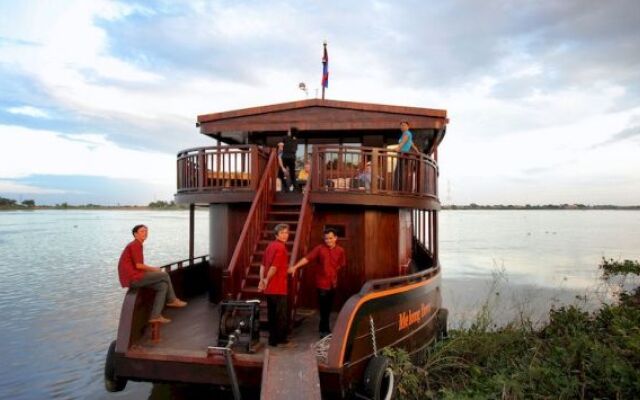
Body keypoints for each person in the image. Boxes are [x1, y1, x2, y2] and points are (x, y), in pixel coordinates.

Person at [117, 225, 187, 324]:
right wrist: (154, 269)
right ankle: (172, 300)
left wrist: (151, 271)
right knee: (164, 275)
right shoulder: (135, 245)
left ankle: (155, 316)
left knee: (162, 286)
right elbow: (139, 265)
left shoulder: (136, 244)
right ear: (135, 234)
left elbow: (138, 266)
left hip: (134, 277)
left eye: (146, 231)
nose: (145, 233)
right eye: (142, 231)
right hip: (133, 278)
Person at [289, 228, 346, 338]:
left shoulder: (340, 250)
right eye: (326, 239)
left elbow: (341, 264)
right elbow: (307, 258)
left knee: (328, 307)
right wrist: (295, 267)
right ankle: (324, 331)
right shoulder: (319, 249)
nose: (328, 240)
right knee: (323, 308)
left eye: (330, 238)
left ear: (335, 238)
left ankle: (323, 329)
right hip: (322, 283)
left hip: (333, 283)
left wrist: (333, 271)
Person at [258, 224, 296, 348]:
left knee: (272, 314)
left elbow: (262, 266)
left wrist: (262, 280)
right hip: (279, 288)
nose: (285, 235)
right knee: (281, 315)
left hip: (269, 288)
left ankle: (272, 340)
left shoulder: (269, 246)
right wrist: (266, 279)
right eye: (282, 233)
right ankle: (281, 339)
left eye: (286, 232)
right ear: (276, 235)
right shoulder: (281, 248)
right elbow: (274, 267)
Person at [390, 121, 414, 191]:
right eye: (401, 125)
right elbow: (412, 144)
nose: (402, 126)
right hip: (403, 154)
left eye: (404, 125)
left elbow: (403, 142)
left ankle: (398, 189)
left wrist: (398, 148)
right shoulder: (405, 134)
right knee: (400, 171)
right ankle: (399, 188)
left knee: (399, 172)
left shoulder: (407, 133)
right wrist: (417, 151)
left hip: (403, 154)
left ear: (408, 126)